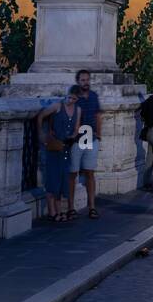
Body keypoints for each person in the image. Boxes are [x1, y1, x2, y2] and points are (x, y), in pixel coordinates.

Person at [36, 85, 83, 222]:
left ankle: (59, 210)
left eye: (74, 99)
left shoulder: (77, 110)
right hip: (55, 147)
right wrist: (41, 133)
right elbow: (41, 116)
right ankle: (52, 212)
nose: (70, 100)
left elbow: (76, 128)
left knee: (63, 180)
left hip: (67, 148)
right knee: (53, 178)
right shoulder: (57, 106)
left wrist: (73, 136)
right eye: (69, 97)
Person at [68, 70, 103, 219]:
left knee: (90, 172)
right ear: (78, 81)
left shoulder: (94, 96)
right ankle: (70, 207)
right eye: (82, 80)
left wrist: (99, 134)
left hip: (91, 137)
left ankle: (92, 207)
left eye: (87, 80)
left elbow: (98, 115)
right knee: (72, 173)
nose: (85, 82)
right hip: (77, 139)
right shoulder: (73, 95)